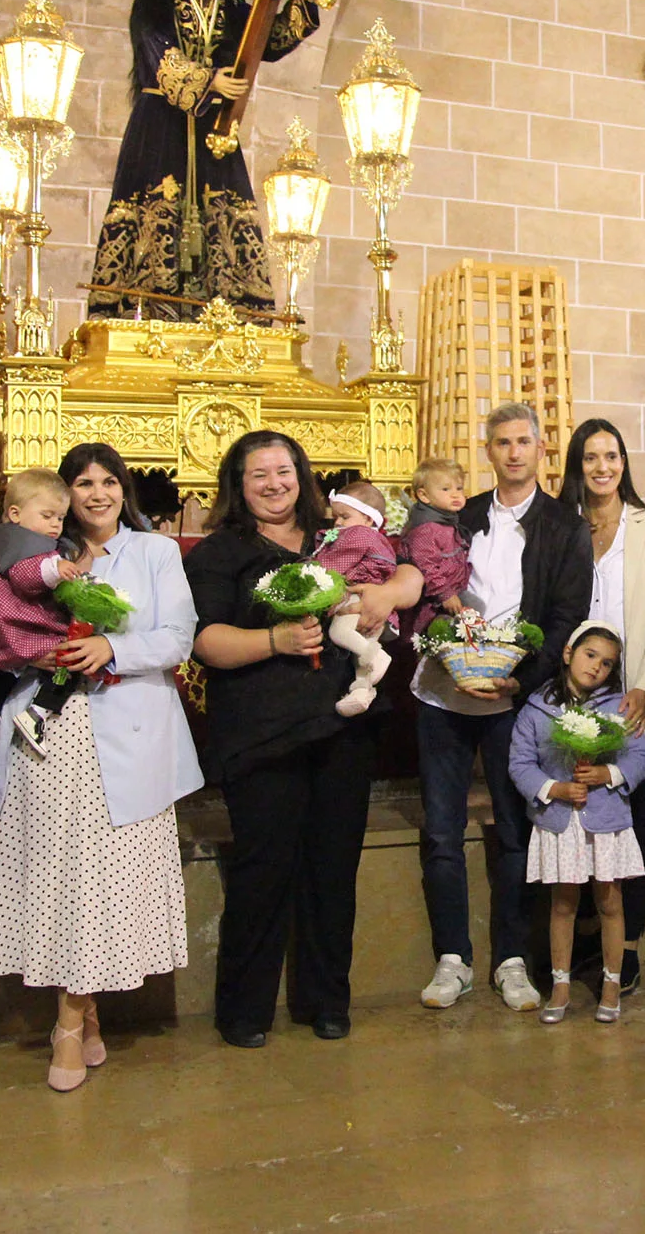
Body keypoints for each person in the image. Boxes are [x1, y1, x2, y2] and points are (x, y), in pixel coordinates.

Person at [0, 443, 205, 1090]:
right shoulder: (37, 553)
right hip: (47, 737)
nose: (97, 493)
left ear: (123, 487)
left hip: (127, 736)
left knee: (105, 883)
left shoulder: (154, 551)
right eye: (83, 482)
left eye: (109, 481)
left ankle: (70, 1024)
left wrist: (112, 644)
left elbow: (177, 637)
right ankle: (80, 1015)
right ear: (65, 492)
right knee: (61, 879)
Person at [189, 432, 423, 1045]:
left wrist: (389, 593)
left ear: (303, 476)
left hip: (341, 730)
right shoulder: (221, 553)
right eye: (257, 474)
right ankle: (244, 1011)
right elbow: (206, 640)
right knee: (263, 870)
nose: (273, 484)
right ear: (237, 485)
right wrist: (276, 641)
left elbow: (408, 570)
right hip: (261, 733)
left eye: (284, 471)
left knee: (332, 868)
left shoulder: (334, 535)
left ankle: (325, 1000)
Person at [414, 402, 593, 1014]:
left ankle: (512, 959)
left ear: (542, 449)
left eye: (524, 442)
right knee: (441, 829)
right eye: (501, 443)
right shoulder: (458, 517)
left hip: (515, 696)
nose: (513, 452)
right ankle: (452, 959)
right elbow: (428, 583)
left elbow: (566, 615)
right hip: (445, 691)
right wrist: (448, 647)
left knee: (516, 829)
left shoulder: (565, 527)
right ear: (486, 452)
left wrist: (520, 680)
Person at [88, 0, 321, 316]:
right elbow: (153, 43)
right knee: (153, 207)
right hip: (159, 122)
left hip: (214, 129)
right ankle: (146, 311)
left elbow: (271, 41)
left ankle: (225, 314)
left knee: (223, 216)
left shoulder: (233, 9)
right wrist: (208, 79)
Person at [556, 420, 645, 995]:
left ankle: (626, 945)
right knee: (577, 816)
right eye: (590, 457)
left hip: (632, 694)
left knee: (634, 821)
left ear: (623, 462)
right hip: (575, 693)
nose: (602, 467)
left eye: (611, 456)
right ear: (577, 466)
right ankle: (585, 937)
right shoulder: (564, 525)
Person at [510, 624, 645, 1025]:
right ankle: (560, 986)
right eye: (590, 655)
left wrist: (608, 774)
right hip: (559, 821)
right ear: (569, 653)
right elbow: (520, 764)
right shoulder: (537, 709)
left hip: (605, 820)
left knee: (610, 900)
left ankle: (610, 983)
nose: (596, 668)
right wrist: (554, 789)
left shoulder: (618, 708)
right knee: (563, 902)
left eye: (607, 663)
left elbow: (639, 758)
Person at [0, 468, 92, 751]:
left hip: (7, 620)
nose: (55, 525)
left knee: (13, 667)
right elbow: (26, 577)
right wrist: (55, 569)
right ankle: (38, 713)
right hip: (19, 621)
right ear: (15, 514)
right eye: (46, 516)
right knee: (67, 660)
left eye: (60, 518)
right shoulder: (26, 546)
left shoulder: (11, 539)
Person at [313, 481, 400, 715]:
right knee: (359, 657)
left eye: (345, 516)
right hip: (371, 603)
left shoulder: (358, 535)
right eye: (336, 518)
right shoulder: (362, 534)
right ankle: (361, 692)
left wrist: (312, 573)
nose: (338, 522)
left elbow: (335, 564)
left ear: (368, 519)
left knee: (340, 633)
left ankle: (378, 657)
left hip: (356, 596)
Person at [396, 456, 470, 635]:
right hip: (432, 600)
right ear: (424, 495)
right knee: (438, 631)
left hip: (455, 590)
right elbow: (425, 565)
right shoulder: (425, 529)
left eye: (459, 488)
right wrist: (445, 593)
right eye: (446, 489)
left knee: (478, 608)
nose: (455, 494)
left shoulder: (447, 520)